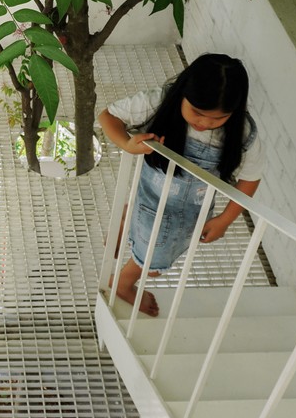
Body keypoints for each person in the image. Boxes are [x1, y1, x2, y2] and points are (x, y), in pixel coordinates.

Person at [97, 53, 264, 316]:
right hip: (150, 193)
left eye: (219, 118)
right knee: (152, 263)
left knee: (149, 233)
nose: (205, 123)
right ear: (183, 92)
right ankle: (122, 283)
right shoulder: (160, 101)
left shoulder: (241, 132)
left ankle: (125, 224)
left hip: (187, 214)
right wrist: (127, 144)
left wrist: (225, 219)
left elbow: (250, 178)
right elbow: (108, 116)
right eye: (197, 112)